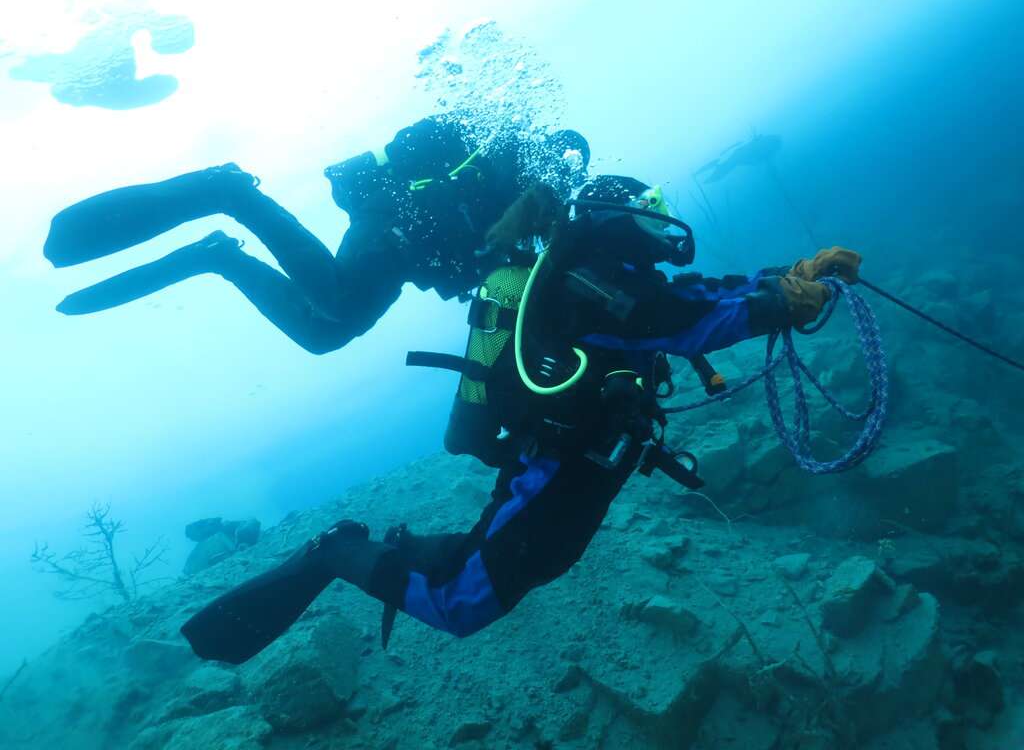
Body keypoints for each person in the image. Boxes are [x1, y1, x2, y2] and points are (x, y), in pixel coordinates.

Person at [180, 174, 862, 665]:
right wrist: (778, 301)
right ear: (616, 215)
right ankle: (337, 551)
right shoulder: (590, 280)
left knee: (528, 560)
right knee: (463, 606)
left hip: (587, 464)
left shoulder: (617, 276)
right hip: (556, 464)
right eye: (650, 207)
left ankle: (405, 550)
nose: (662, 218)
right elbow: (682, 319)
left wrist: (793, 274)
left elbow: (693, 297)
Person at [43, 116, 590, 354]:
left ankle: (217, 257)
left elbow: (505, 273)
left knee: (325, 335)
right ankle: (232, 193)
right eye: (560, 183)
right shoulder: (503, 169)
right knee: (333, 301)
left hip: (405, 252)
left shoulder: (526, 210)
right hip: (393, 227)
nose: (557, 201)